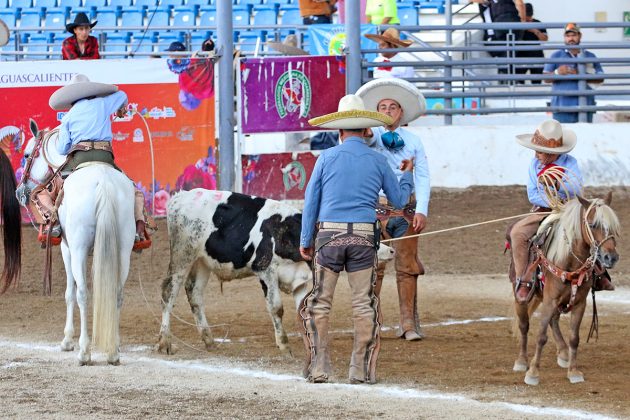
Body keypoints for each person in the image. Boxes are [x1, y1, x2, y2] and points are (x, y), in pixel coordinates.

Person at [299, 94, 414, 384]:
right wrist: (408, 175)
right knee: (363, 303)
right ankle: (360, 371)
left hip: (329, 237)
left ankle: (318, 368)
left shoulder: (326, 157)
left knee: (320, 302)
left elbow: (311, 200)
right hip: (364, 237)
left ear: (339, 131)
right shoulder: (377, 160)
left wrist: (305, 239)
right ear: (366, 130)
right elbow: (399, 201)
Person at [33, 74, 150, 251]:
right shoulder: (103, 104)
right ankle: (138, 230)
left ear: (71, 98)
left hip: (79, 160)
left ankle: (54, 224)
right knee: (134, 192)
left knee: (42, 193)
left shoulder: (68, 117)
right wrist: (121, 109)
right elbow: (122, 95)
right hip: (106, 158)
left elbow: (62, 149)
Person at [356, 78, 429, 341]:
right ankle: (371, 321)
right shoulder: (370, 134)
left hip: (406, 211)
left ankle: (408, 323)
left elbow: (422, 177)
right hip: (376, 208)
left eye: (392, 107)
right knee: (372, 265)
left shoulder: (413, 141)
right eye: (382, 107)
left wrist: (422, 209)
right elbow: (363, 135)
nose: (387, 111)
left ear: (401, 113)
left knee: (406, 266)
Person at [543, 23, 604, 123]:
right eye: (568, 36)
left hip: (586, 105)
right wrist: (558, 72)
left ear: (580, 36)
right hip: (561, 107)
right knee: (564, 137)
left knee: (585, 137)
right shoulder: (556, 55)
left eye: (574, 35)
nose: (571, 39)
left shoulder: (590, 56)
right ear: (564, 37)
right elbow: (545, 78)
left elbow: (601, 78)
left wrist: (580, 74)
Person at [515, 3, 547, 84]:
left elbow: (544, 39)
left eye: (529, 18)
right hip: (521, 56)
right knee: (519, 81)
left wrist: (535, 31)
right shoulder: (517, 23)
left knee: (536, 81)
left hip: (536, 55)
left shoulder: (538, 23)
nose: (527, 20)